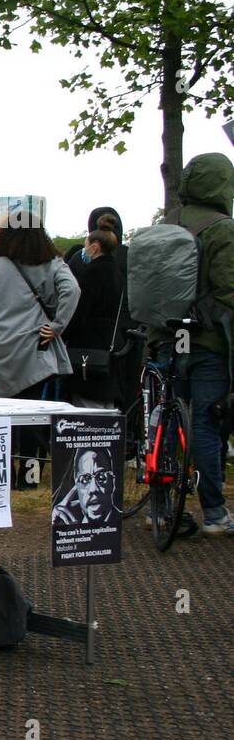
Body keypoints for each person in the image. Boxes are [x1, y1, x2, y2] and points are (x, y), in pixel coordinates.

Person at [0, 223, 81, 489]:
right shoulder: (53, 261)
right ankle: (30, 475)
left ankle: (4, 475)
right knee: (32, 415)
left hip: (1, 352)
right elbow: (73, 290)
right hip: (35, 349)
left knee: (3, 417)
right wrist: (57, 326)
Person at [162, 153, 234, 535]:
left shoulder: (167, 223)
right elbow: (228, 291)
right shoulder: (224, 230)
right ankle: (215, 513)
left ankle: (160, 507)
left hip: (170, 337)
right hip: (208, 342)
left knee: (169, 418)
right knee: (205, 424)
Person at [62, 227, 124, 408]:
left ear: (95, 247)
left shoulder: (91, 273)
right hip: (110, 344)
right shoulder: (117, 272)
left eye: (86, 245)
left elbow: (80, 311)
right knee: (105, 403)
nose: (85, 250)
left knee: (86, 404)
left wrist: (62, 333)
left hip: (87, 347)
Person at [52, 447, 119, 526]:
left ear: (113, 482)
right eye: (85, 479)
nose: (93, 489)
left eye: (101, 477)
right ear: (77, 485)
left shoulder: (116, 523)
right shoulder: (68, 518)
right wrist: (56, 522)